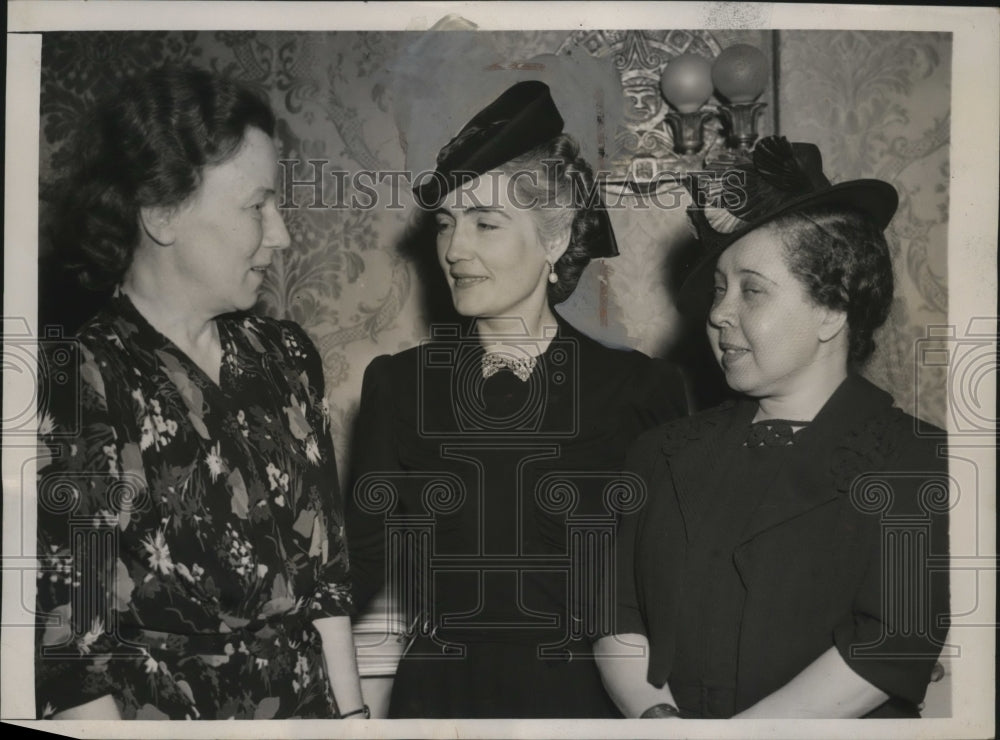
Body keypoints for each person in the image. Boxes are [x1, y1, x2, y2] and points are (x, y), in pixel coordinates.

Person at [345, 81, 688, 718]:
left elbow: (663, 595)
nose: (454, 250)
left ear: (554, 240)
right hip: (436, 706)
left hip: (587, 707)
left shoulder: (643, 392)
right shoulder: (397, 387)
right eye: (446, 224)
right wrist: (359, 723)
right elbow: (381, 593)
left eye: (486, 223)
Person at [35, 66, 367, 720]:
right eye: (256, 206)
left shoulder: (285, 357)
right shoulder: (80, 383)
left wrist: (355, 723)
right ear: (162, 213)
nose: (282, 235)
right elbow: (79, 667)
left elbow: (326, 589)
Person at [595, 135, 950, 719]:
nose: (717, 313)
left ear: (832, 309)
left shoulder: (917, 459)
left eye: (752, 290)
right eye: (718, 288)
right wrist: (655, 717)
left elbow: (888, 645)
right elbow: (618, 613)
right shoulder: (658, 452)